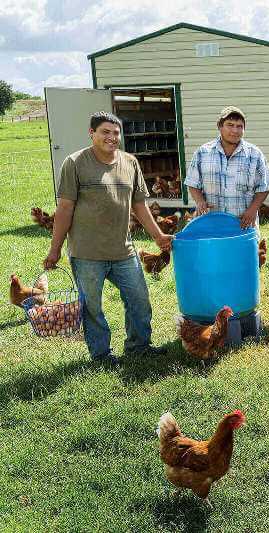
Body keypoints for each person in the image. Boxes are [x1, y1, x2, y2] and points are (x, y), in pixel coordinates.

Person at [43, 111, 172, 364]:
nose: (112, 137)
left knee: (139, 300)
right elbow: (65, 208)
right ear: (91, 134)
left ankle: (139, 346)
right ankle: (101, 355)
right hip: (87, 252)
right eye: (105, 132)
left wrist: (157, 235)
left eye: (116, 133)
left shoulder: (130, 162)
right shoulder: (75, 163)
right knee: (92, 307)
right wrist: (55, 249)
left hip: (123, 251)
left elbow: (140, 206)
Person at [185, 106, 269, 228]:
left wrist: (252, 210)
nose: (235, 130)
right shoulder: (203, 152)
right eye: (230, 125)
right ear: (219, 126)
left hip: (243, 223)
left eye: (240, 126)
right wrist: (200, 201)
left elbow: (265, 186)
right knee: (213, 248)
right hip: (211, 224)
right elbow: (192, 183)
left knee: (244, 248)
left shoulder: (254, 154)